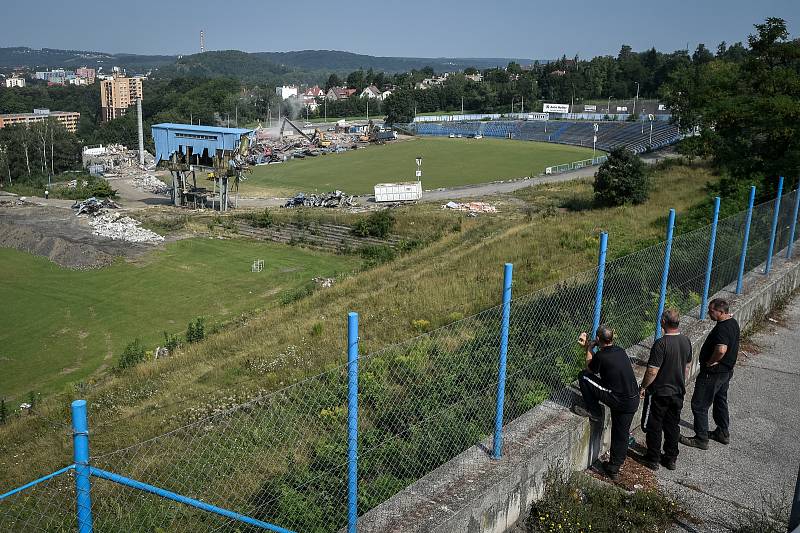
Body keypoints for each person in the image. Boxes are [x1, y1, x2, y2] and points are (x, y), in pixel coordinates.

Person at [574, 325, 640, 480]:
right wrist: (592, 347)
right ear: (612, 338)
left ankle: (595, 411)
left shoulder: (601, 356)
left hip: (618, 399)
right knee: (621, 433)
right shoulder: (620, 351)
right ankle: (614, 468)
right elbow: (600, 361)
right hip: (632, 399)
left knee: (583, 376)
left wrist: (589, 348)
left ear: (598, 339)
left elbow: (590, 369)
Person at [680, 298, 740, 449]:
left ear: (721, 312)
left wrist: (711, 361)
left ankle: (701, 438)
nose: (708, 313)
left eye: (711, 311)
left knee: (699, 405)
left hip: (714, 373)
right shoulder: (732, 322)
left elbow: (721, 349)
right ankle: (722, 432)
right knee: (720, 400)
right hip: (726, 371)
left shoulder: (722, 329)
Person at [637, 309, 692, 470]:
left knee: (655, 425)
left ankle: (653, 458)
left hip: (661, 392)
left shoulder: (661, 344)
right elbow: (687, 367)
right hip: (677, 391)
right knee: (673, 425)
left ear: (663, 322)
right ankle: (671, 457)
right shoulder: (686, 341)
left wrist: (644, 387)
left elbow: (652, 371)